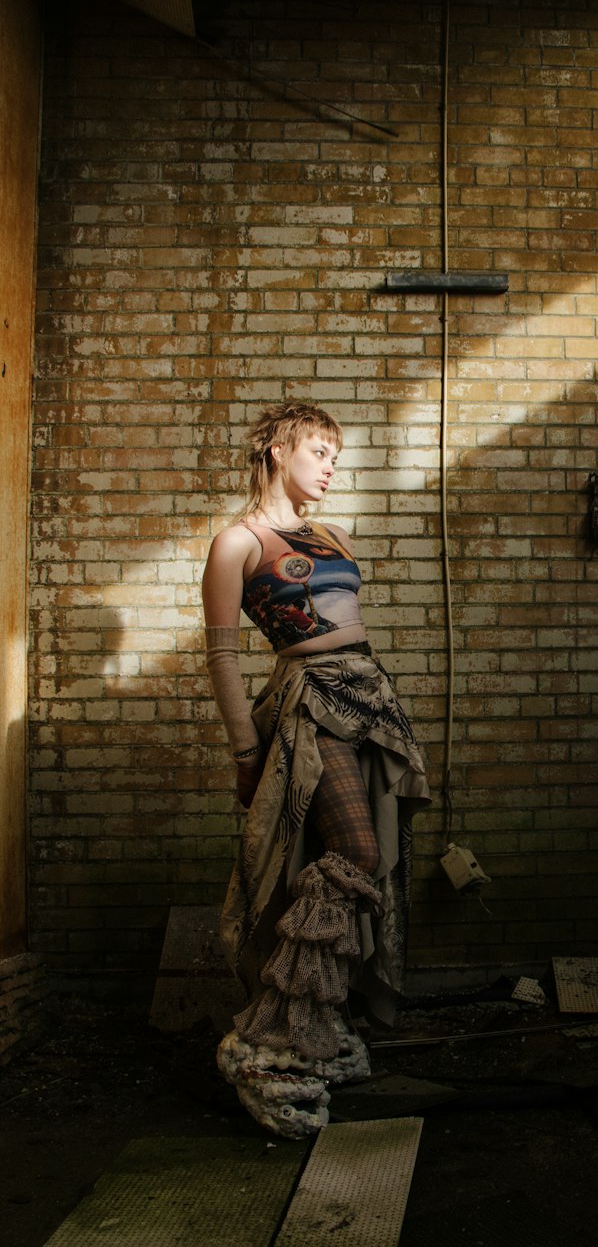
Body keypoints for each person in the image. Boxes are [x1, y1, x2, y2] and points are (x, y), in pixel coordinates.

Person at [202, 402, 430, 1135]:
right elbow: (223, 658)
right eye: (319, 451)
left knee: (370, 855)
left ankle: (318, 1030)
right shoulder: (237, 541)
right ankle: (269, 1041)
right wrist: (245, 751)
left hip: (369, 697)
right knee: (355, 852)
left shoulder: (333, 534)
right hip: (309, 701)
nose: (331, 465)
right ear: (276, 450)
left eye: (336, 453)